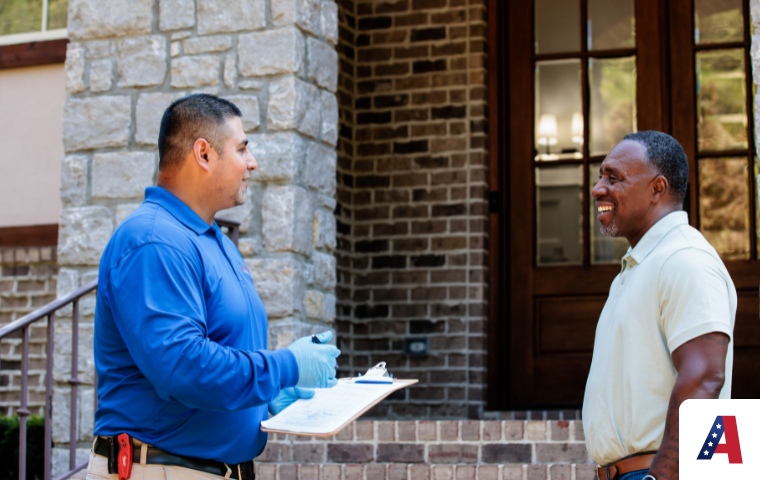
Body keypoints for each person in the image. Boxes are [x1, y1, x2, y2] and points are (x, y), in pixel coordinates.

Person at [86, 94, 340, 480]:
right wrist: (287, 367)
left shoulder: (213, 241)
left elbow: (223, 350)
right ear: (203, 154)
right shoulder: (153, 241)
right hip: (161, 469)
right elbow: (182, 366)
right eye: (241, 148)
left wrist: (264, 397)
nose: (251, 162)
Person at [583, 131, 736, 480]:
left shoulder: (685, 259)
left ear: (657, 189)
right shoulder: (639, 268)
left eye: (614, 178)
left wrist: (660, 477)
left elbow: (706, 377)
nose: (598, 189)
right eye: (600, 176)